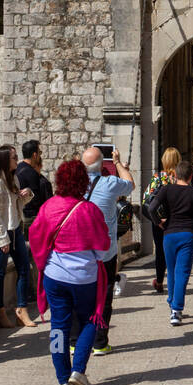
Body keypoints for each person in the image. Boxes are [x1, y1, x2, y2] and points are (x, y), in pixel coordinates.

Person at [28, 160, 110, 385]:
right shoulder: (89, 210)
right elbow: (102, 248)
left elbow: (35, 234)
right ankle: (78, 370)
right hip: (85, 277)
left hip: (54, 276)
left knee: (59, 327)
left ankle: (63, 378)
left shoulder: (49, 206)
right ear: (83, 182)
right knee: (89, 321)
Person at [80, 146, 134, 356]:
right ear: (103, 165)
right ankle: (100, 342)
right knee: (104, 296)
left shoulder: (76, 185)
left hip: (80, 250)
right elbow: (130, 185)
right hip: (105, 251)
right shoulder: (109, 183)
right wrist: (119, 164)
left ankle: (76, 341)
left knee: (81, 295)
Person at [0, 145, 35, 329]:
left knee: (23, 269)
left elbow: (16, 207)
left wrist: (25, 195)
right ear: (5, 160)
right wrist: (2, 239)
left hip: (15, 230)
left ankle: (21, 310)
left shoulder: (14, 180)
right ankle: (0, 312)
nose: (17, 160)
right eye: (14, 157)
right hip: (2, 233)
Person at [151, 159, 193, 326]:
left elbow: (151, 207)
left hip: (169, 233)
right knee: (183, 272)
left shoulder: (167, 189)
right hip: (188, 233)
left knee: (172, 271)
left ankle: (172, 302)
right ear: (190, 176)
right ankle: (176, 309)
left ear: (175, 174)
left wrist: (159, 222)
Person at [141, 148, 180, 293]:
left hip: (158, 221)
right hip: (175, 220)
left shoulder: (157, 177)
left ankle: (159, 281)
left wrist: (157, 220)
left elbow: (146, 200)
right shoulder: (180, 179)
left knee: (160, 251)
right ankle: (174, 282)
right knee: (176, 251)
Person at [15, 140, 52, 234]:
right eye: (40, 153)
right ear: (35, 155)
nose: (40, 156)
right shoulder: (32, 173)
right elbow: (35, 199)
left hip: (20, 214)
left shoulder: (17, 168)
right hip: (31, 217)